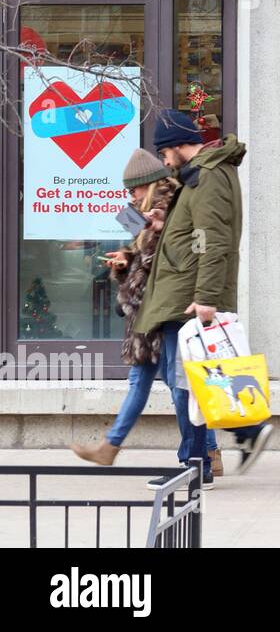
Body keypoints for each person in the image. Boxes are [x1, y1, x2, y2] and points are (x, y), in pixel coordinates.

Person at [134, 110, 272, 480]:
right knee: (190, 380)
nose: (163, 161)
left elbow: (214, 239)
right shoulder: (200, 175)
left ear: (177, 146)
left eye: (164, 153)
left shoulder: (209, 176)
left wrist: (207, 297)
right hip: (184, 293)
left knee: (186, 384)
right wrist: (167, 224)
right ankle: (238, 436)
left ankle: (200, 463)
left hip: (189, 297)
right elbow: (197, 229)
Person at [69, 150, 223, 479]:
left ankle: (199, 459)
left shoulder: (170, 206)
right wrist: (124, 260)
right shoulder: (137, 212)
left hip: (161, 309)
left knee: (177, 384)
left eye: (134, 190)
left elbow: (167, 261)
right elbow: (138, 251)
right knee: (156, 381)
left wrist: (136, 260)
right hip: (146, 309)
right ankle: (203, 453)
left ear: (149, 185)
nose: (130, 197)